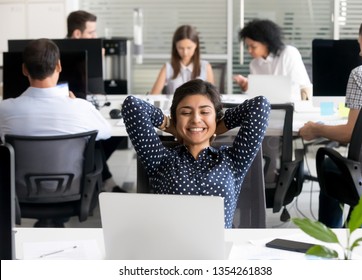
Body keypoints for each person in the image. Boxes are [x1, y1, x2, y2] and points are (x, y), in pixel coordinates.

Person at [122, 79, 270, 228]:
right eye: (186, 113)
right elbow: (132, 106)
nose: (196, 119)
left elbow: (260, 105)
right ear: (176, 118)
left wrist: (220, 126)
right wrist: (170, 125)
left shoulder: (233, 161)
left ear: (216, 117)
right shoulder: (161, 160)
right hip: (172, 246)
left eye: (205, 112)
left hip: (220, 247)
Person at [0, 38, 111, 226]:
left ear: (24, 69)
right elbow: (107, 132)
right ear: (59, 66)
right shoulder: (80, 108)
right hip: (73, 195)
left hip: (19, 197)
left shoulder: (4, 110)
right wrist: (75, 103)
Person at [299, 14, 362, 227]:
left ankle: (332, 239)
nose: (359, 52)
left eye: (360, 45)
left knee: (329, 166)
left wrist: (316, 129)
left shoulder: (361, 74)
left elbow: (349, 133)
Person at [66, 10, 125, 192]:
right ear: (77, 34)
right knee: (97, 134)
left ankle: (94, 173)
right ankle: (103, 179)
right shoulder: (58, 53)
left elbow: (96, 89)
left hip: (87, 104)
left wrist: (97, 61)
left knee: (117, 133)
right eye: (91, 32)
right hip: (69, 110)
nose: (95, 36)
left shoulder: (88, 50)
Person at [234, 19, 312, 101]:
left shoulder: (288, 53)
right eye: (247, 47)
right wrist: (246, 87)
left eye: (253, 47)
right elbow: (257, 96)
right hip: (269, 108)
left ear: (267, 43)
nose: (249, 50)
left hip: (293, 105)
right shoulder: (254, 64)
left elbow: (303, 87)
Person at [150, 25, 215, 95]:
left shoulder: (205, 67)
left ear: (196, 45)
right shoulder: (168, 67)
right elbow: (153, 95)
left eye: (189, 48)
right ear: (175, 46)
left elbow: (212, 96)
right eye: (181, 48)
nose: (185, 53)